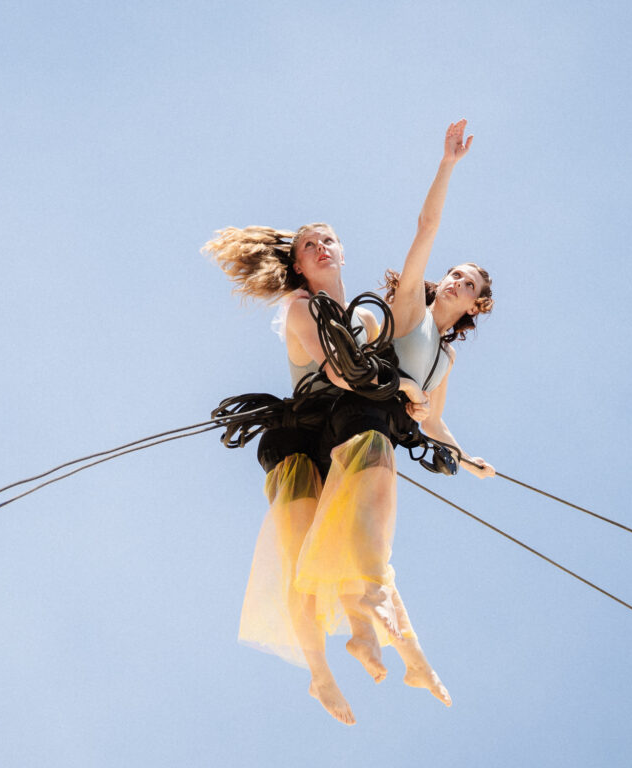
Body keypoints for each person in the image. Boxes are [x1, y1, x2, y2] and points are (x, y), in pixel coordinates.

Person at [204, 119, 494, 725]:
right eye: (311, 244)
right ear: (299, 263)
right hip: (311, 421)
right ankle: (324, 669)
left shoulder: (393, 334)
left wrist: (463, 457)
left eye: (330, 240)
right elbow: (341, 373)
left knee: (350, 528)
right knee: (306, 550)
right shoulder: (310, 306)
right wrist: (447, 164)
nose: (324, 247)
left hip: (346, 419)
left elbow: (430, 418)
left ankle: (383, 637)